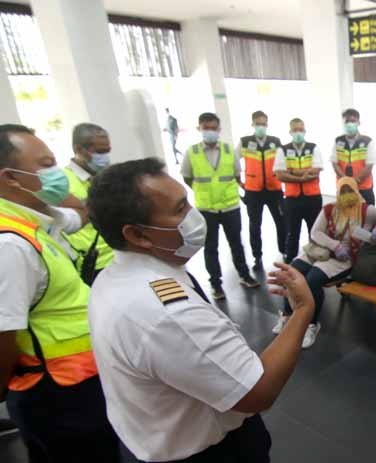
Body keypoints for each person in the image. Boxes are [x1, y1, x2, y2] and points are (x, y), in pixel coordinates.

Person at [85, 157, 316, 462]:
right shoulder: (167, 314)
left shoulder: (114, 277)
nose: (194, 217)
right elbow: (258, 392)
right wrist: (301, 309)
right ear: (138, 235)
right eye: (180, 210)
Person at [0, 124, 120, 461]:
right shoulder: (10, 243)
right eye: (45, 165)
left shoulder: (37, 218)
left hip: (78, 382)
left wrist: (53, 192)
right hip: (54, 393)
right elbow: (4, 333)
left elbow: (83, 213)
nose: (55, 173)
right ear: (11, 177)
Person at [271, 177, 376, 348]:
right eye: (343, 191)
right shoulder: (330, 209)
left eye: (350, 191)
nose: (347, 195)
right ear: (337, 193)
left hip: (342, 259)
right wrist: (335, 245)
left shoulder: (365, 210)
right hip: (320, 251)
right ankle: (287, 314)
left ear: (356, 191)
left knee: (312, 280)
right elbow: (315, 233)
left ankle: (312, 324)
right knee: (291, 273)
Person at [181, 112, 259, 300]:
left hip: (230, 206)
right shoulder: (192, 152)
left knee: (236, 243)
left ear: (219, 129)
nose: (210, 131)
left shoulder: (228, 150)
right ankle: (216, 284)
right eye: (206, 128)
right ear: (199, 128)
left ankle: (244, 274)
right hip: (206, 208)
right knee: (210, 247)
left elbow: (235, 174)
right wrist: (203, 192)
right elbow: (187, 177)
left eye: (213, 128)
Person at [63, 123, 115, 280]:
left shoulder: (109, 175)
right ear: (79, 150)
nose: (105, 157)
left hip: (120, 257)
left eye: (107, 151)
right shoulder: (64, 183)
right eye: (100, 152)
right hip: (93, 263)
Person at [238, 110, 286, 271]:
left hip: (274, 189)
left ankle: (285, 252)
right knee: (254, 225)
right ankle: (257, 257)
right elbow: (232, 163)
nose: (261, 127)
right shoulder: (245, 142)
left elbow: (283, 162)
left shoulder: (275, 142)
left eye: (263, 124)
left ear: (267, 124)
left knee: (281, 222)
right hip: (253, 192)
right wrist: (241, 183)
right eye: (258, 124)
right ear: (253, 124)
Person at [275, 118, 323, 264]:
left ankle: (314, 259)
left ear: (305, 130)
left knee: (314, 231)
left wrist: (292, 171)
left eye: (301, 129)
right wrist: (303, 176)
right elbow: (280, 174)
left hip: (312, 197)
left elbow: (316, 170)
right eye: (295, 130)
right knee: (292, 232)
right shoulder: (282, 150)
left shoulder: (313, 147)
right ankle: (290, 260)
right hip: (291, 199)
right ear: (290, 132)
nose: (298, 133)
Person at [331, 108, 376, 206]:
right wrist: (346, 181)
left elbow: (369, 166)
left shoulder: (367, 141)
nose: (350, 124)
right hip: (344, 189)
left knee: (367, 218)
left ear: (358, 122)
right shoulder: (338, 141)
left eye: (353, 121)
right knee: (346, 218)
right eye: (347, 121)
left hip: (364, 188)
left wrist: (354, 181)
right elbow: (334, 163)